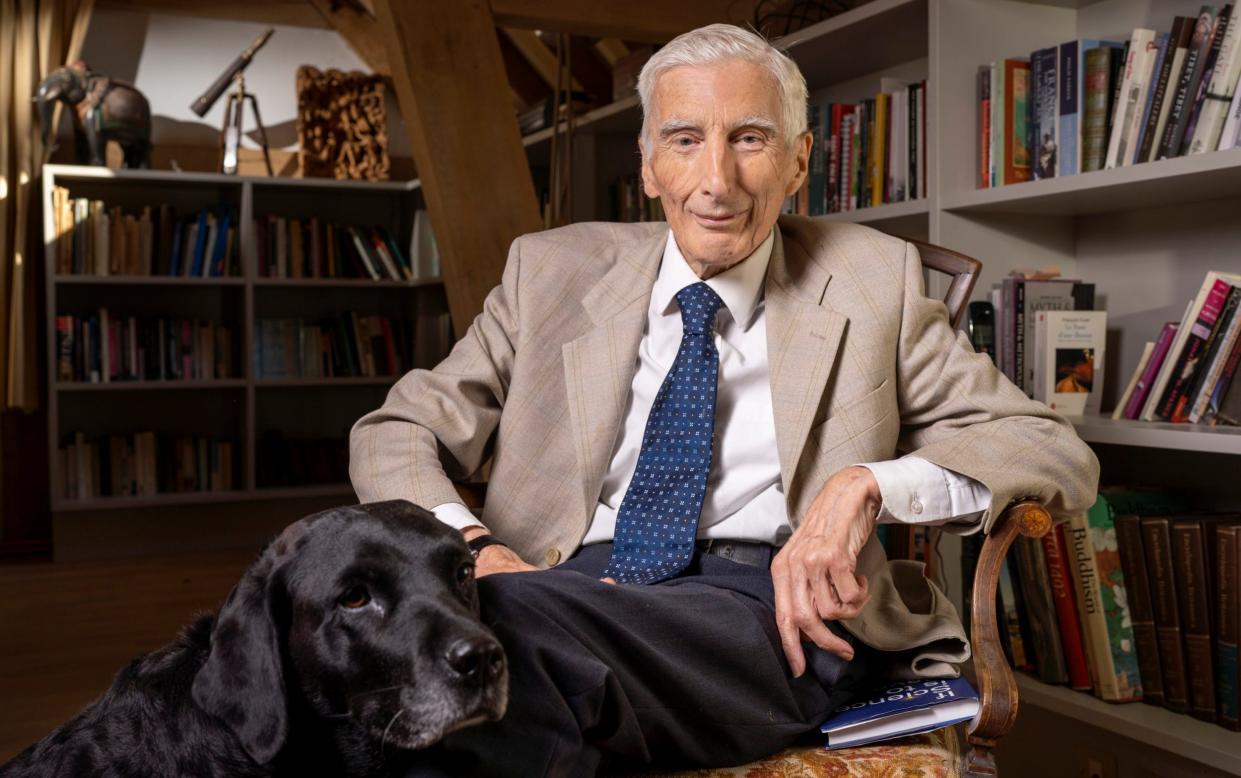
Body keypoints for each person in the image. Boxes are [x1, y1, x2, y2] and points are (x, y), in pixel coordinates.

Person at [349, 23, 1098, 776]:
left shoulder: (875, 281)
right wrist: (473, 553)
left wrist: (863, 487)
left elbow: (1048, 446)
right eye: (682, 139)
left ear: (797, 161)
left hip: (758, 605)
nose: (717, 180)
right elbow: (395, 431)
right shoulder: (549, 272)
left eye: (748, 139)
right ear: (646, 165)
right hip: (550, 582)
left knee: (465, 664)